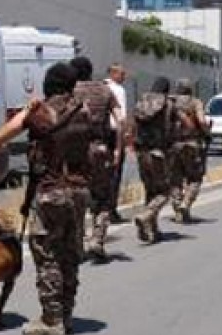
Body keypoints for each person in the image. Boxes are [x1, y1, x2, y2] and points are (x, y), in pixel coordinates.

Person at [0, 63, 92, 335]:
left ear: (48, 84)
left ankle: (51, 320)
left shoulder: (39, 111)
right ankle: (65, 314)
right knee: (70, 254)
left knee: (48, 255)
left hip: (50, 193)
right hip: (79, 192)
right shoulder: (85, 110)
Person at [71, 57, 123, 264]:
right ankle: (97, 239)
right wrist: (117, 149)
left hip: (75, 152)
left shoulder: (69, 91)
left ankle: (77, 246)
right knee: (102, 199)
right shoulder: (105, 90)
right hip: (99, 150)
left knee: (77, 199)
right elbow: (120, 120)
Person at [131, 76, 191, 244]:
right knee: (164, 192)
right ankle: (146, 216)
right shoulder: (169, 104)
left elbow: (133, 125)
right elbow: (187, 123)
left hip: (141, 152)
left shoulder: (142, 101)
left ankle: (151, 231)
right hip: (159, 153)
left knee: (150, 192)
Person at [169, 79, 211, 223]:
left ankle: (178, 209)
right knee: (195, 178)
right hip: (191, 144)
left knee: (175, 180)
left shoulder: (171, 103)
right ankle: (185, 204)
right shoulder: (195, 102)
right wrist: (207, 133)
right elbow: (202, 121)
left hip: (173, 145)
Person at [103, 63, 129, 223]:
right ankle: (111, 210)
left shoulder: (100, 87)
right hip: (114, 135)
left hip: (99, 134)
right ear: (113, 73)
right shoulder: (119, 90)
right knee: (115, 173)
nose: (124, 77)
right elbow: (121, 119)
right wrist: (121, 143)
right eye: (122, 74)